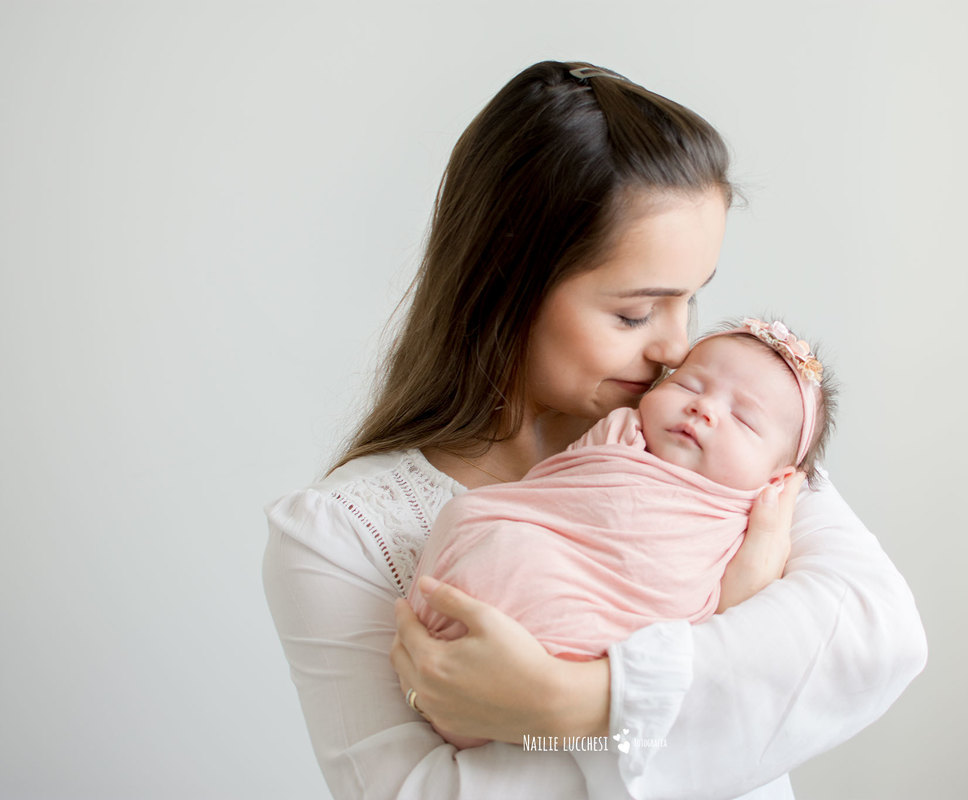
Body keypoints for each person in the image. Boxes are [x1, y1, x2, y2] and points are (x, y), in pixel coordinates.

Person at [262, 60, 926, 800]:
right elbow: (420, 792)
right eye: (636, 313)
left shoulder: (720, 447)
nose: (676, 351)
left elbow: (876, 639)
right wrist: (722, 699)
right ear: (505, 289)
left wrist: (575, 701)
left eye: (690, 302)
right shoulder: (344, 535)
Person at [410, 319, 836, 749]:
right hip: (537, 562)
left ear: (778, 479)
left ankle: (517, 680)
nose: (704, 409)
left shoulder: (754, 518)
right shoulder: (621, 432)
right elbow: (551, 499)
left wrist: (762, 545)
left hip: (611, 640)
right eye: (688, 386)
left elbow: (738, 625)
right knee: (475, 521)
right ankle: (480, 664)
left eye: (743, 419)